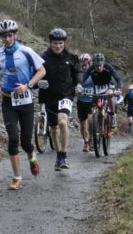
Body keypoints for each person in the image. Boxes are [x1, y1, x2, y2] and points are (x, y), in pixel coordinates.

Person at [0, 19, 46, 190]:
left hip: (26, 100)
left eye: (10, 35)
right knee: (13, 138)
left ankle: (32, 157)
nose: (7, 39)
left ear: (16, 35)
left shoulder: (26, 51)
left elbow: (42, 71)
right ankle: (17, 177)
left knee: (26, 142)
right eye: (4, 36)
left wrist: (28, 85)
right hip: (8, 100)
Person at [38, 28, 80, 171]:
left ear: (64, 43)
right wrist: (38, 83)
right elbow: (35, 75)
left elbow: (77, 74)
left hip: (66, 94)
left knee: (63, 122)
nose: (58, 46)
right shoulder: (42, 58)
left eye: (60, 43)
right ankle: (58, 155)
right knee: (54, 128)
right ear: (50, 43)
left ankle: (63, 155)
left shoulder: (71, 57)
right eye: (55, 43)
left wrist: (78, 84)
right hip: (49, 96)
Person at [82, 53, 123, 129]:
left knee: (110, 94)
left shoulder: (108, 67)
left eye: (100, 65)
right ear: (93, 64)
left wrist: (119, 89)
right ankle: (96, 122)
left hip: (108, 87)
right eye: (96, 65)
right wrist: (78, 87)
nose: (98, 67)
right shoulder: (91, 68)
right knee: (93, 107)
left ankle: (113, 115)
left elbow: (118, 79)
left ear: (103, 63)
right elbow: (82, 79)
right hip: (96, 90)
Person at [76, 53, 94, 152]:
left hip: (91, 100)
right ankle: (86, 142)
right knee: (82, 123)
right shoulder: (77, 74)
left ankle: (91, 139)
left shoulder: (94, 73)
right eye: (81, 65)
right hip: (81, 100)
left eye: (85, 64)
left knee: (90, 119)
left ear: (89, 63)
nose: (83, 66)